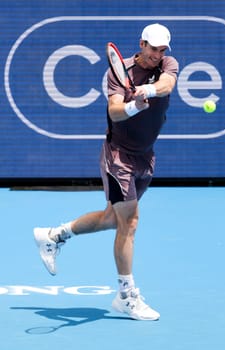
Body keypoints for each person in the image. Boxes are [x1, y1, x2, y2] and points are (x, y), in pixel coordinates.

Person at [34, 23, 179, 321]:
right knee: (131, 222)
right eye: (153, 49)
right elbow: (114, 110)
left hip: (145, 155)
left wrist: (144, 90)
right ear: (141, 44)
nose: (158, 55)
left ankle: (53, 235)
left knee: (112, 218)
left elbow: (166, 85)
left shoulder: (167, 63)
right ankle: (126, 295)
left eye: (162, 49)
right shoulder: (119, 71)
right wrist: (134, 106)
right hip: (118, 157)